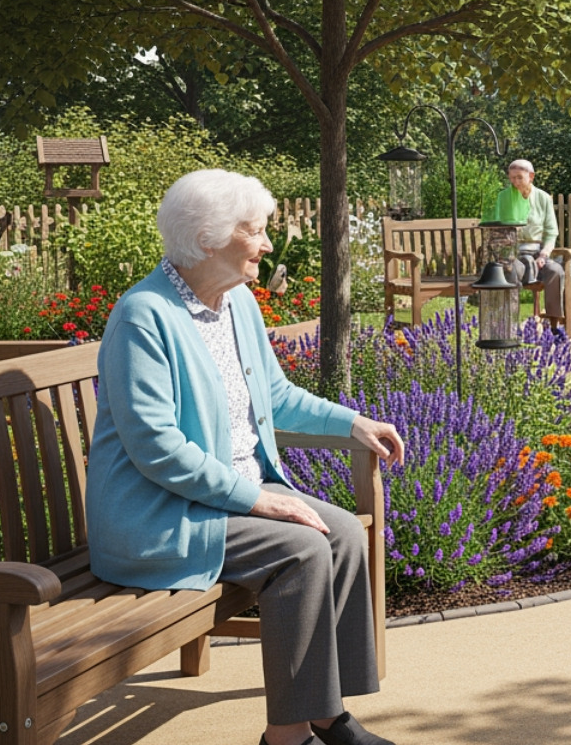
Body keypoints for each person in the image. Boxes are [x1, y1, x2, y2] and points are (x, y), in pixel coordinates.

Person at [89, 170, 405, 745]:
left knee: (343, 535)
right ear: (208, 238)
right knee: (303, 549)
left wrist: (353, 422)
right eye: (254, 232)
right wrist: (262, 500)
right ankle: (287, 737)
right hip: (159, 515)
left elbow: (276, 395)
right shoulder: (144, 317)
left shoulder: (236, 304)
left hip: (223, 496)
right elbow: (157, 448)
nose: (265, 244)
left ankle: (327, 714)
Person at [506, 159, 567, 330]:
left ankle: (553, 323)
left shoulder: (543, 198)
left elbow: (551, 231)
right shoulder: (505, 198)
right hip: (514, 253)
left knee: (555, 271)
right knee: (512, 271)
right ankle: (511, 323)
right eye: (512, 178)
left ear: (531, 176)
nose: (515, 182)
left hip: (537, 251)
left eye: (519, 178)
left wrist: (544, 254)